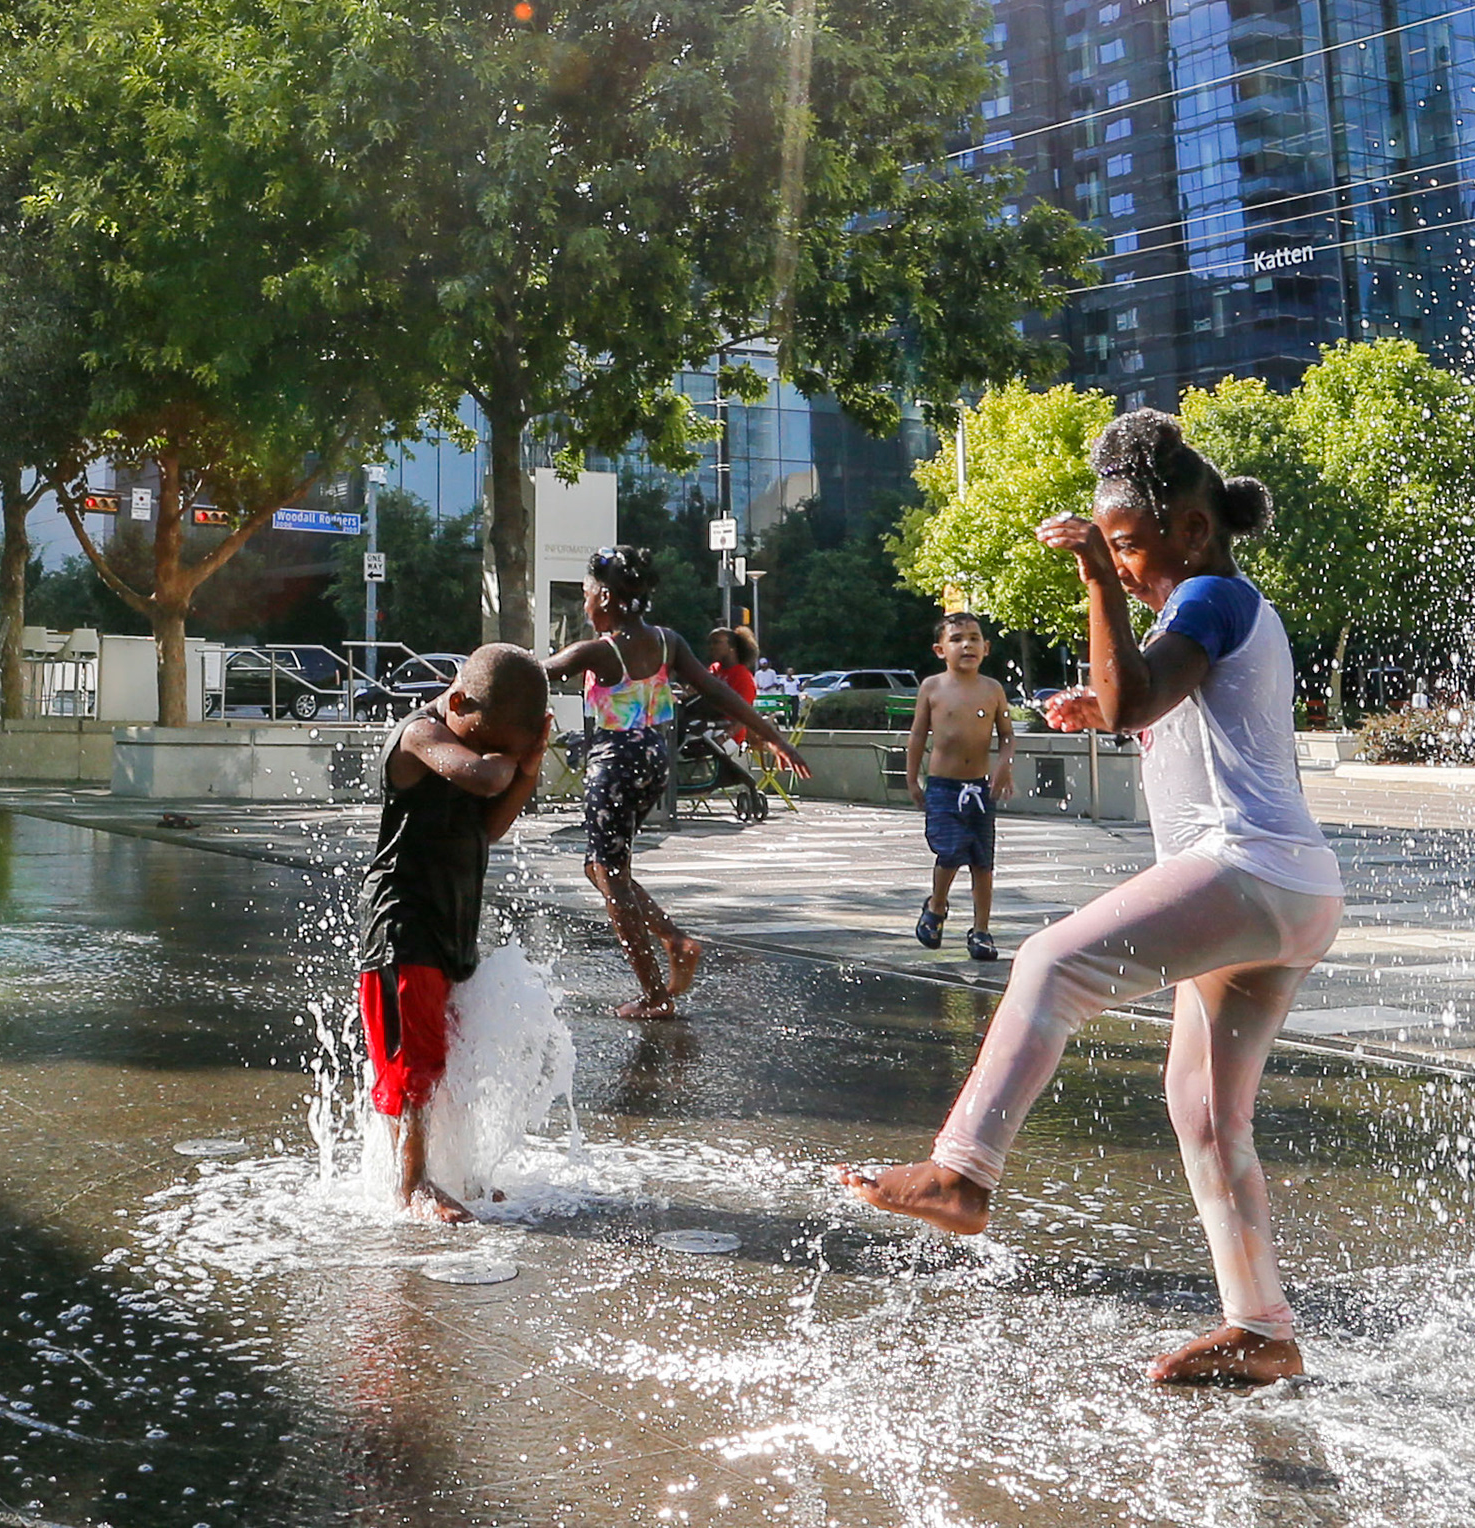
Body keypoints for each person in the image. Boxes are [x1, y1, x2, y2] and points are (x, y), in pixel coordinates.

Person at [845, 409, 1344, 1389]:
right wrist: (1099, 701)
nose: (1116, 566)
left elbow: (1134, 700)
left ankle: (961, 1172)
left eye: (1125, 546)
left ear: (1192, 530)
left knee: (1049, 962)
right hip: (1287, 889)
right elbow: (1148, 702)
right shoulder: (1217, 609)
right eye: (1107, 552)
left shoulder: (1205, 593)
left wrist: (1091, 614)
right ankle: (1262, 1326)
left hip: (1244, 869)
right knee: (1202, 1111)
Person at [545, 546, 811, 1018]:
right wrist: (775, 738)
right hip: (654, 760)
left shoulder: (598, 651)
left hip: (614, 764)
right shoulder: (667, 641)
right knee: (604, 868)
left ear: (604, 598)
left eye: (586, 595)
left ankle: (656, 991)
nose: (584, 605)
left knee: (609, 874)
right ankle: (674, 941)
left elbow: (529, 674)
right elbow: (721, 693)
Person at [359, 643, 553, 1221]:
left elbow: (488, 826)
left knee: (450, 1056)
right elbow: (487, 778)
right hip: (402, 925)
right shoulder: (420, 737)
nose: (496, 755)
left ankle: (454, 1170)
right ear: (459, 700)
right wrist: (508, 760)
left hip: (450, 924)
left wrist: (529, 767)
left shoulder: (479, 746)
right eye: (489, 739)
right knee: (413, 1059)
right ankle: (412, 1182)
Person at [907, 611, 1017, 961]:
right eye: (956, 639)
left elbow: (1008, 736)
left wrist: (1005, 765)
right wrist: (913, 778)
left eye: (973, 638)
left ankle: (981, 929)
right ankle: (936, 906)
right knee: (951, 850)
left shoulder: (993, 689)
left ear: (986, 648)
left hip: (981, 789)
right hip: (943, 787)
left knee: (983, 862)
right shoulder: (933, 687)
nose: (966, 644)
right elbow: (917, 735)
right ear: (940, 650)